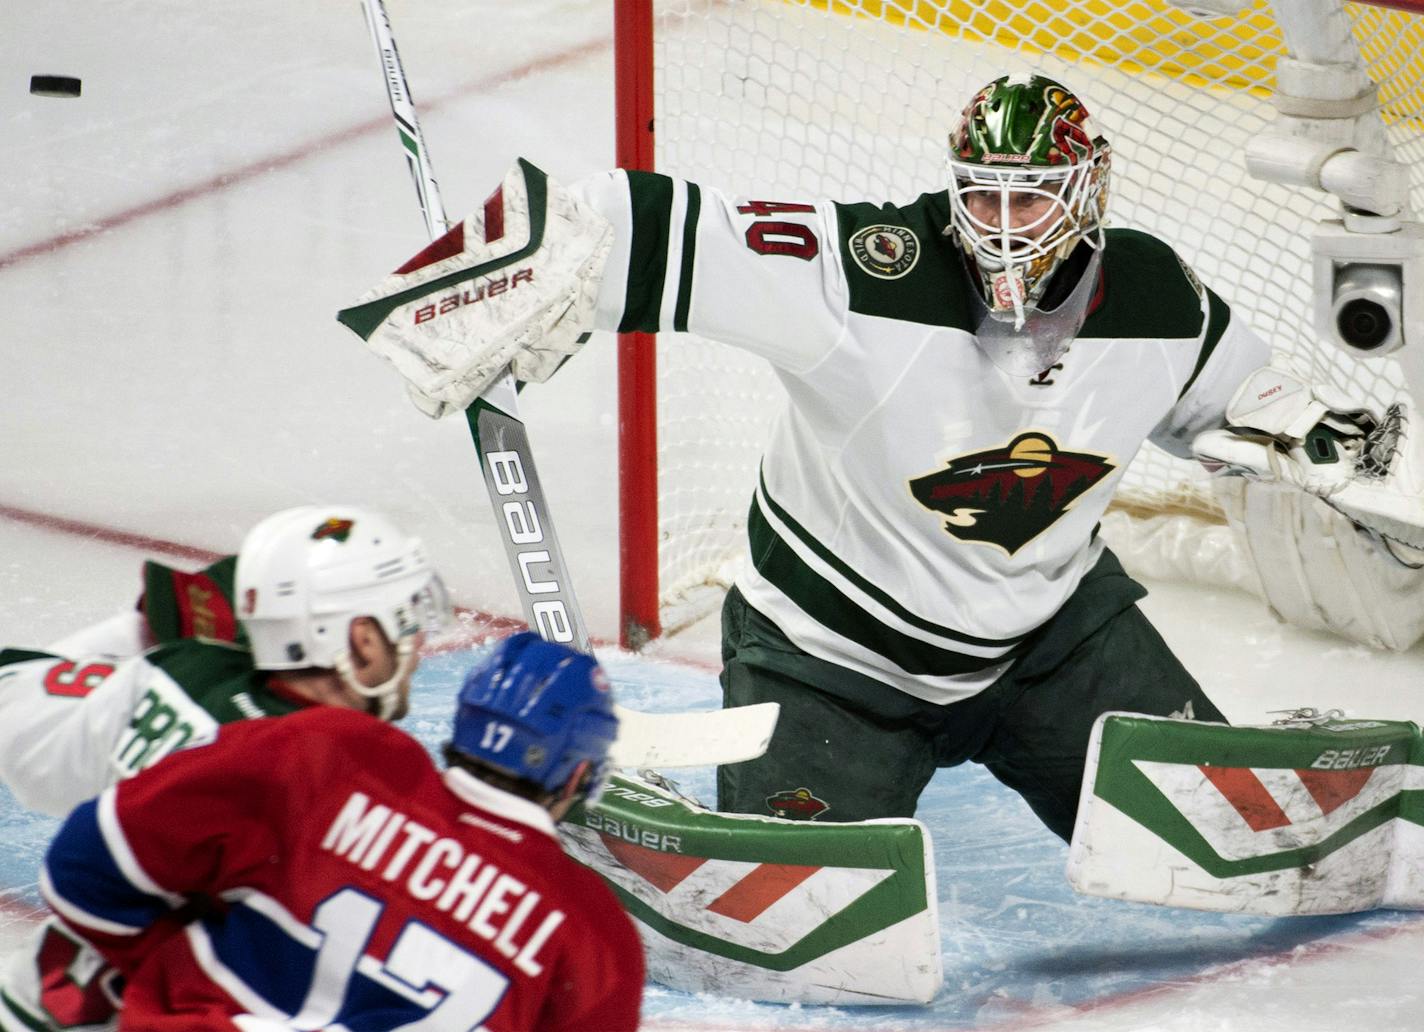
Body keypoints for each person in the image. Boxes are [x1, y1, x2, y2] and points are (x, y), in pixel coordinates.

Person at [341, 73, 1392, 838]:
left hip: (1052, 648)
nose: (1001, 227)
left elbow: (1243, 403)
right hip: (828, 662)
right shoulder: (868, 273)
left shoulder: (1156, 295)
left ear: (1087, 195)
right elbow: (628, 221)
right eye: (979, 196)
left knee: (1228, 831)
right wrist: (481, 288)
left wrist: (1337, 454)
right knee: (805, 901)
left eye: (1028, 200)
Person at [37, 631, 643, 1031]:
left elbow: (84, 868)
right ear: (578, 776)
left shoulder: (335, 752)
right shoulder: (596, 932)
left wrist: (167, 972)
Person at [0, 504, 452, 1032]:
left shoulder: (176, 675)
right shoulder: (351, 792)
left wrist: (145, 632)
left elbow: (14, 696)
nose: (418, 643)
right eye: (404, 618)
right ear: (361, 638)